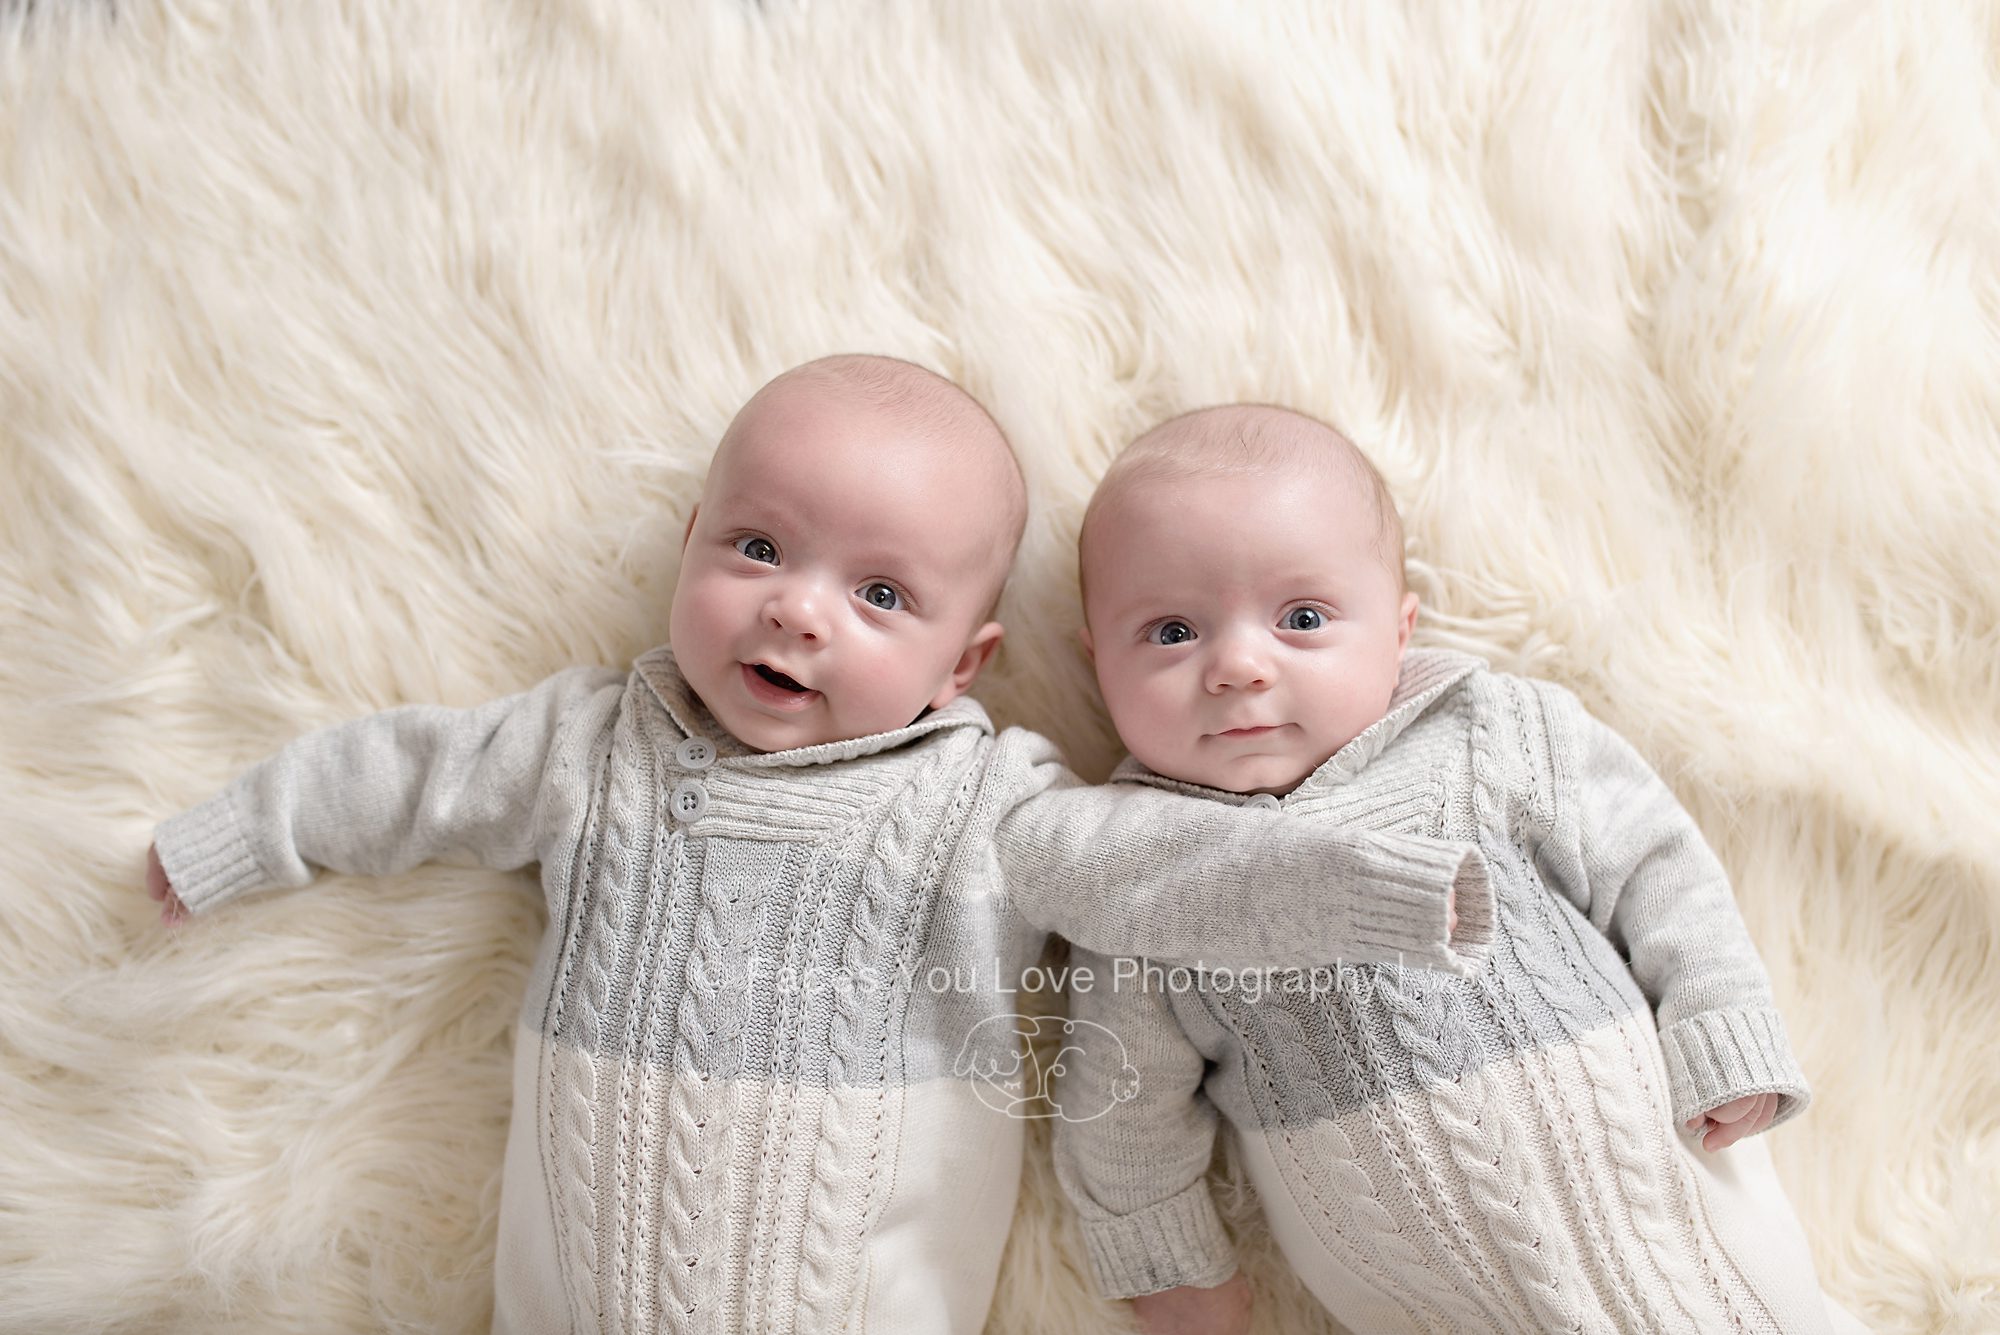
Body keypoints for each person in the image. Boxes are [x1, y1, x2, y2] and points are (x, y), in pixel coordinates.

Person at [147, 359, 1492, 1335]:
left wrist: (1370, 887)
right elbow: (408, 773)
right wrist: (239, 833)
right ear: (688, 548)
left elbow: (1159, 867)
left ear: (961, 664)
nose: (797, 608)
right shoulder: (596, 741)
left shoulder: (986, 799)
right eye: (756, 545)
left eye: (880, 591)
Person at [1054, 403, 1868, 1334]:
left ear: (1399, 630)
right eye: (1169, 633)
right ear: (1096, 662)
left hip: (1675, 1206)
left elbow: (1657, 864)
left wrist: (1720, 1021)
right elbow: (1118, 1101)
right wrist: (1169, 1265)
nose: (1238, 664)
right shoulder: (1140, 876)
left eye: (1303, 617)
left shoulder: (1492, 734)